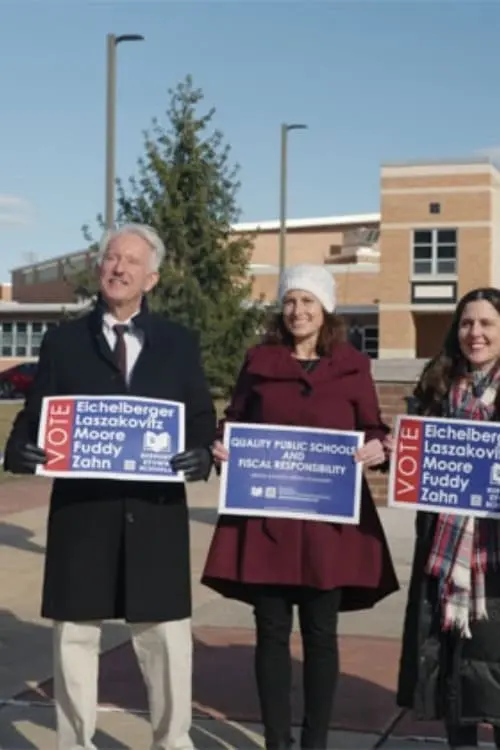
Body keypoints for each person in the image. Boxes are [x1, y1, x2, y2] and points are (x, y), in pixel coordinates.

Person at [3, 223, 216, 750]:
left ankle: (172, 741)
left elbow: (200, 415)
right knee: (75, 636)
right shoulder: (63, 341)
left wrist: (201, 453)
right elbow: (35, 417)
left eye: (130, 262)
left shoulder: (178, 343)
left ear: (152, 277)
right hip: (83, 513)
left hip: (155, 510)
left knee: (165, 638)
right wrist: (19, 449)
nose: (118, 268)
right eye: (110, 258)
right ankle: (73, 741)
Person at [201, 264, 399, 750]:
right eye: (291, 300)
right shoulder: (259, 361)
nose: (298, 310)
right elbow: (235, 421)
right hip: (268, 518)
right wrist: (222, 447)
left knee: (319, 632)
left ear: (326, 308)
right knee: (270, 631)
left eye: (308, 301)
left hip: (327, 523)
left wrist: (380, 448)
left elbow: (372, 426)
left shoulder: (354, 365)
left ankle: (314, 742)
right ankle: (276, 741)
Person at [396, 287, 500, 749]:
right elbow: (411, 458)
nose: (474, 333)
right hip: (444, 559)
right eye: (466, 323)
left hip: (492, 561)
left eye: (486, 324)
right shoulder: (436, 387)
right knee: (453, 679)